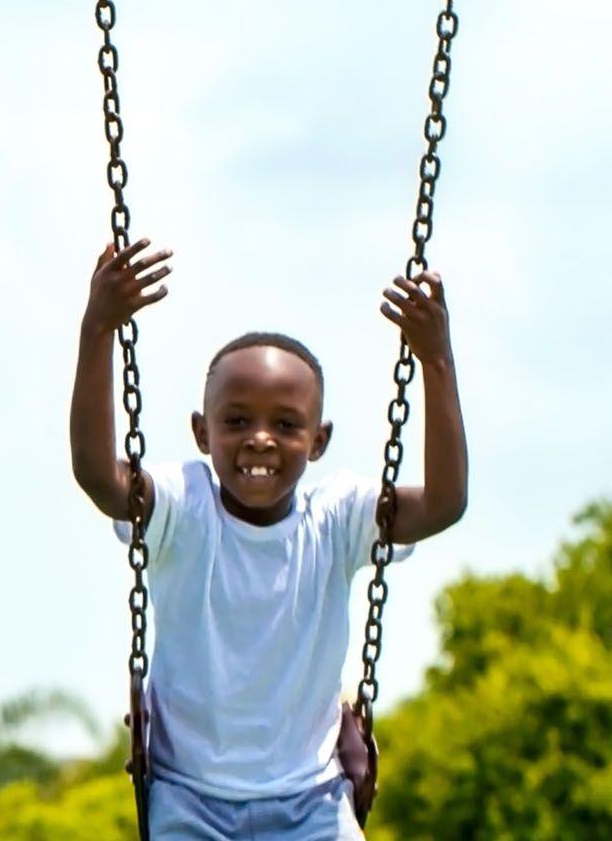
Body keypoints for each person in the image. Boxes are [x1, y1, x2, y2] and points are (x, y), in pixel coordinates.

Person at [68, 239, 470, 840]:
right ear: (202, 433)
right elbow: (101, 478)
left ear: (319, 440)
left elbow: (443, 503)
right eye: (236, 422)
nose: (260, 439)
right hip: (189, 797)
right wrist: (98, 329)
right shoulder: (183, 506)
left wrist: (436, 362)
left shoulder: (336, 518)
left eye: (285, 424)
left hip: (311, 801)